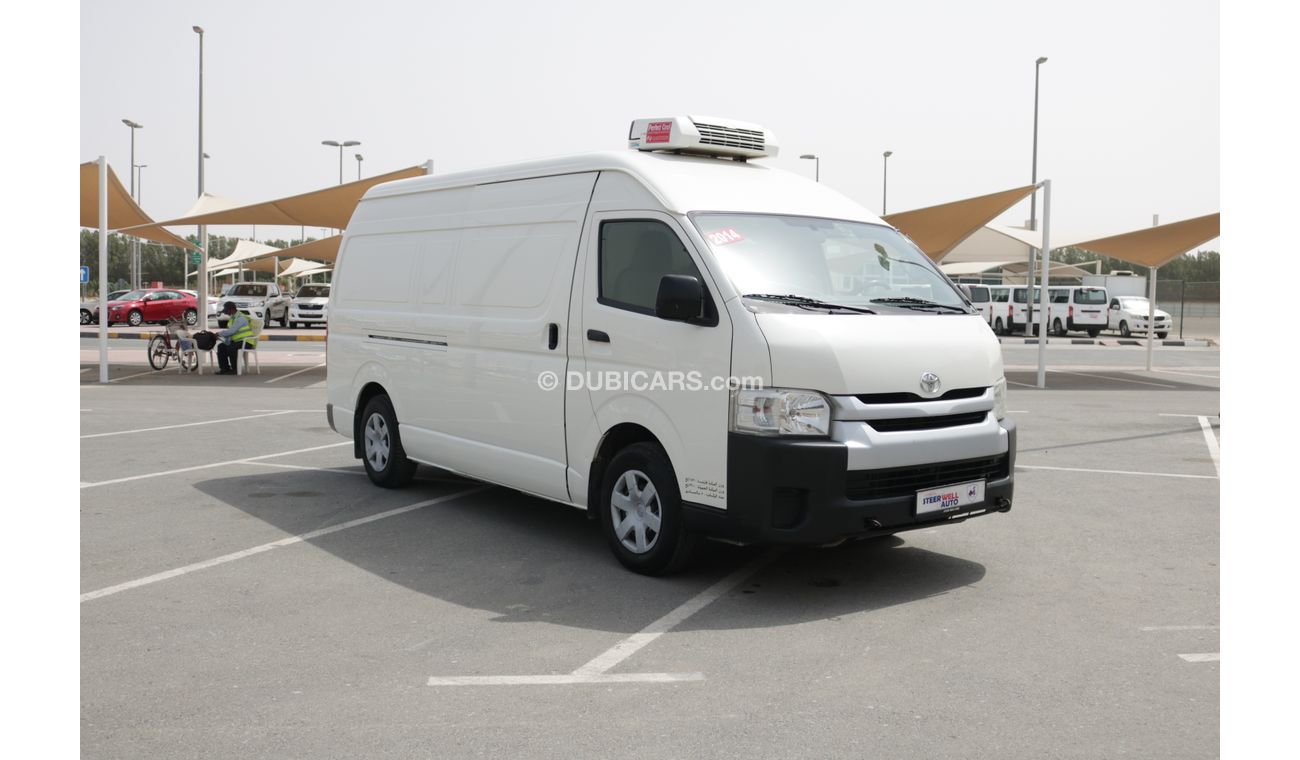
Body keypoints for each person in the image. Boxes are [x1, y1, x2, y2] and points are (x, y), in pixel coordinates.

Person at [215, 301, 257, 375]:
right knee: (221, 346)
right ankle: (224, 369)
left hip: (247, 342)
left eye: (226, 311)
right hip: (238, 341)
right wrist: (225, 340)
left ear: (232, 309)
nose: (225, 313)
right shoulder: (233, 318)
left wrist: (219, 334)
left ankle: (235, 369)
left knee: (231, 348)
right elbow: (230, 332)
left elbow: (232, 331)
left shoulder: (241, 318)